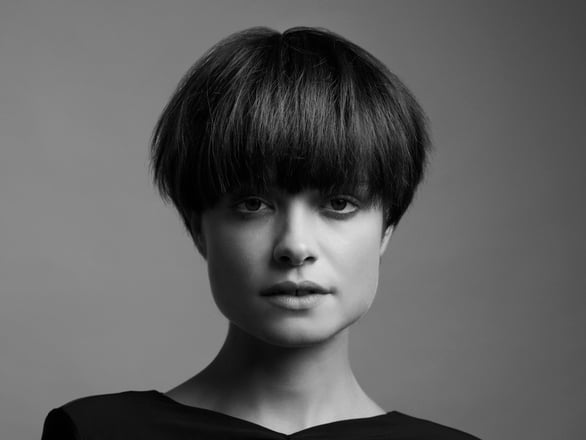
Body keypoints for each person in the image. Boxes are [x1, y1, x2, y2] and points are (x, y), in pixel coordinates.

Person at [41, 26, 480, 439]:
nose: (295, 247)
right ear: (197, 226)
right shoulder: (96, 431)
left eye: (339, 204)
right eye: (253, 204)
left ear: (387, 227)